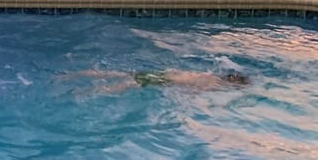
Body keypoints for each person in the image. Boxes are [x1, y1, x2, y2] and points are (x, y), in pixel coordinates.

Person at [68, 68, 250, 93]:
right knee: (120, 87)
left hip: (160, 74)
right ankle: (87, 93)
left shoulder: (207, 73)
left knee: (118, 74)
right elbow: (193, 91)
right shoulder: (212, 83)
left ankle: (72, 75)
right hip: (161, 82)